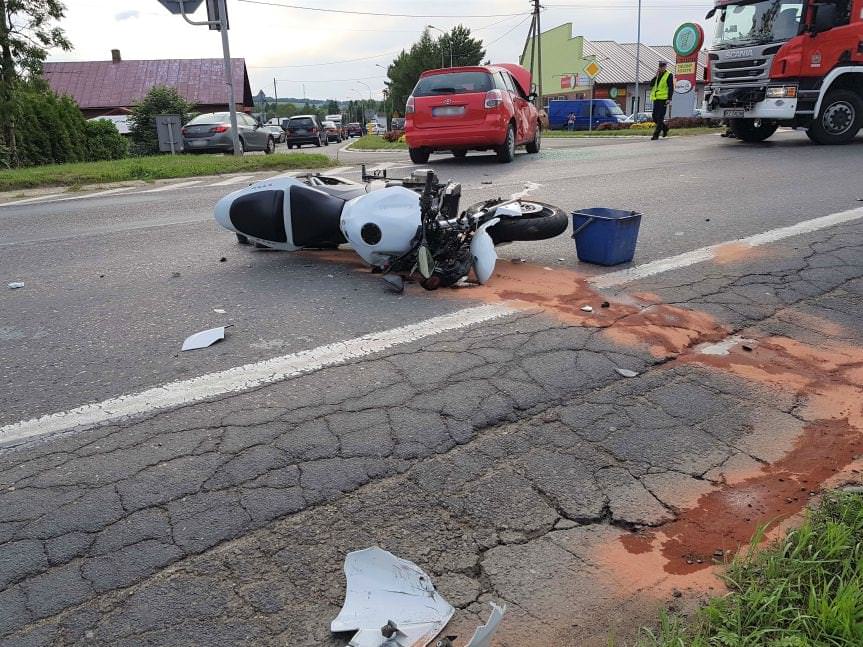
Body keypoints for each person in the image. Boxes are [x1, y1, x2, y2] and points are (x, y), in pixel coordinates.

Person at [648, 61, 674, 140]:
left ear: (665, 67)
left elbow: (670, 87)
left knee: (660, 118)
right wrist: (655, 76)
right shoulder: (658, 75)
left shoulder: (669, 75)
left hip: (664, 99)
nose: (661, 68)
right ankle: (665, 128)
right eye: (660, 66)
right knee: (654, 117)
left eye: (663, 66)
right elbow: (651, 84)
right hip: (656, 99)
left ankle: (656, 135)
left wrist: (669, 98)